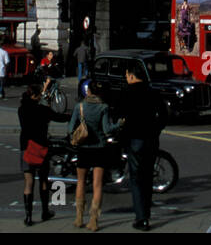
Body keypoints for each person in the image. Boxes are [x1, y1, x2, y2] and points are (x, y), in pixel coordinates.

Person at [117, 64, 167, 230]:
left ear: (131, 76)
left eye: (126, 75)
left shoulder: (126, 92)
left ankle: (142, 217)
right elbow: (164, 115)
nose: (126, 78)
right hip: (151, 139)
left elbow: (120, 116)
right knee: (147, 177)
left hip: (134, 140)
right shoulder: (153, 92)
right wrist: (156, 129)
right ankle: (146, 212)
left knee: (136, 179)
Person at [67, 79, 121, 231]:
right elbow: (107, 129)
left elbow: (70, 127)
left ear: (88, 91)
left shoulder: (80, 107)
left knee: (81, 182)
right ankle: (94, 220)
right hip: (100, 148)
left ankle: (78, 217)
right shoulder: (103, 107)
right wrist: (119, 124)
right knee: (97, 184)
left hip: (84, 148)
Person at [18, 81, 69, 225]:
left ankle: (28, 216)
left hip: (26, 146)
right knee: (43, 180)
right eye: (39, 94)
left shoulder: (22, 110)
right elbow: (59, 117)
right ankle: (45, 211)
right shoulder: (43, 110)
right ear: (35, 96)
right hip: (41, 147)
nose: (41, 96)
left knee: (28, 182)